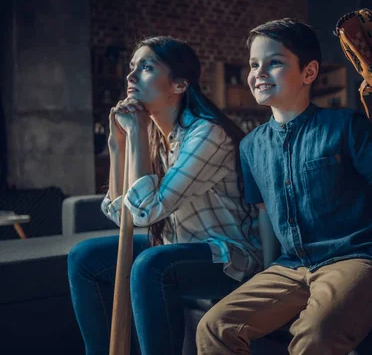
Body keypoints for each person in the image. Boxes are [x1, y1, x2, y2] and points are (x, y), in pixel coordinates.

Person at [196, 18, 372, 354]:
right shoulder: (249, 146)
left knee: (315, 332)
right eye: (254, 64)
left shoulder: (345, 125)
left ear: (309, 72)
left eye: (274, 62)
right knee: (214, 327)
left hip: (358, 258)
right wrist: (266, 273)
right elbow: (266, 218)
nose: (259, 72)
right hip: (291, 267)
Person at [67, 36, 262, 355]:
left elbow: (146, 212)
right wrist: (119, 145)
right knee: (84, 257)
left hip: (227, 256)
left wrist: (137, 135)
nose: (130, 77)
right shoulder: (157, 137)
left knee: (151, 264)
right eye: (132, 67)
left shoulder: (207, 133)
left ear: (180, 84)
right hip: (177, 244)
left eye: (145, 67)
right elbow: (125, 218)